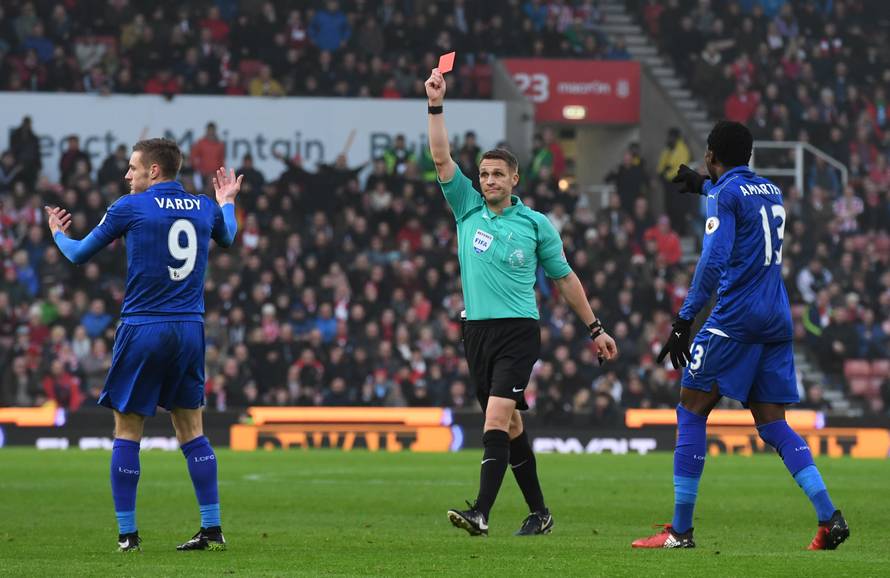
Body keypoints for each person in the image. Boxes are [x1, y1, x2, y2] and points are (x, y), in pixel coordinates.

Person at [632, 121, 848, 550]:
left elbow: (713, 259)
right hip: (776, 317)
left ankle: (680, 531)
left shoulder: (724, 194)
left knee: (691, 410)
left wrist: (684, 319)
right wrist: (702, 186)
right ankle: (829, 518)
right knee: (772, 424)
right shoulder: (770, 190)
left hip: (735, 317)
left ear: (711, 155)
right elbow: (736, 200)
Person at [424, 67, 618, 537]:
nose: (488, 180)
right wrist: (435, 104)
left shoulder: (536, 225)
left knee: (494, 416)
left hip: (517, 331)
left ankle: (481, 512)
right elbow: (440, 156)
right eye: (484, 173)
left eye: (497, 174)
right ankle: (540, 512)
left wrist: (596, 328)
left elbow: (566, 279)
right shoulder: (466, 207)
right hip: (476, 332)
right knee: (509, 425)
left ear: (515, 178)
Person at [44, 138, 240, 552]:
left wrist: (59, 235)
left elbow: (79, 254)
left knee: (128, 429)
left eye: (133, 168)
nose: (126, 175)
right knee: (192, 430)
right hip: (190, 329)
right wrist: (227, 201)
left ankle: (128, 535)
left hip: (143, 327)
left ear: (154, 171)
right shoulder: (203, 206)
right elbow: (230, 236)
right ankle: (212, 527)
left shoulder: (129, 207)